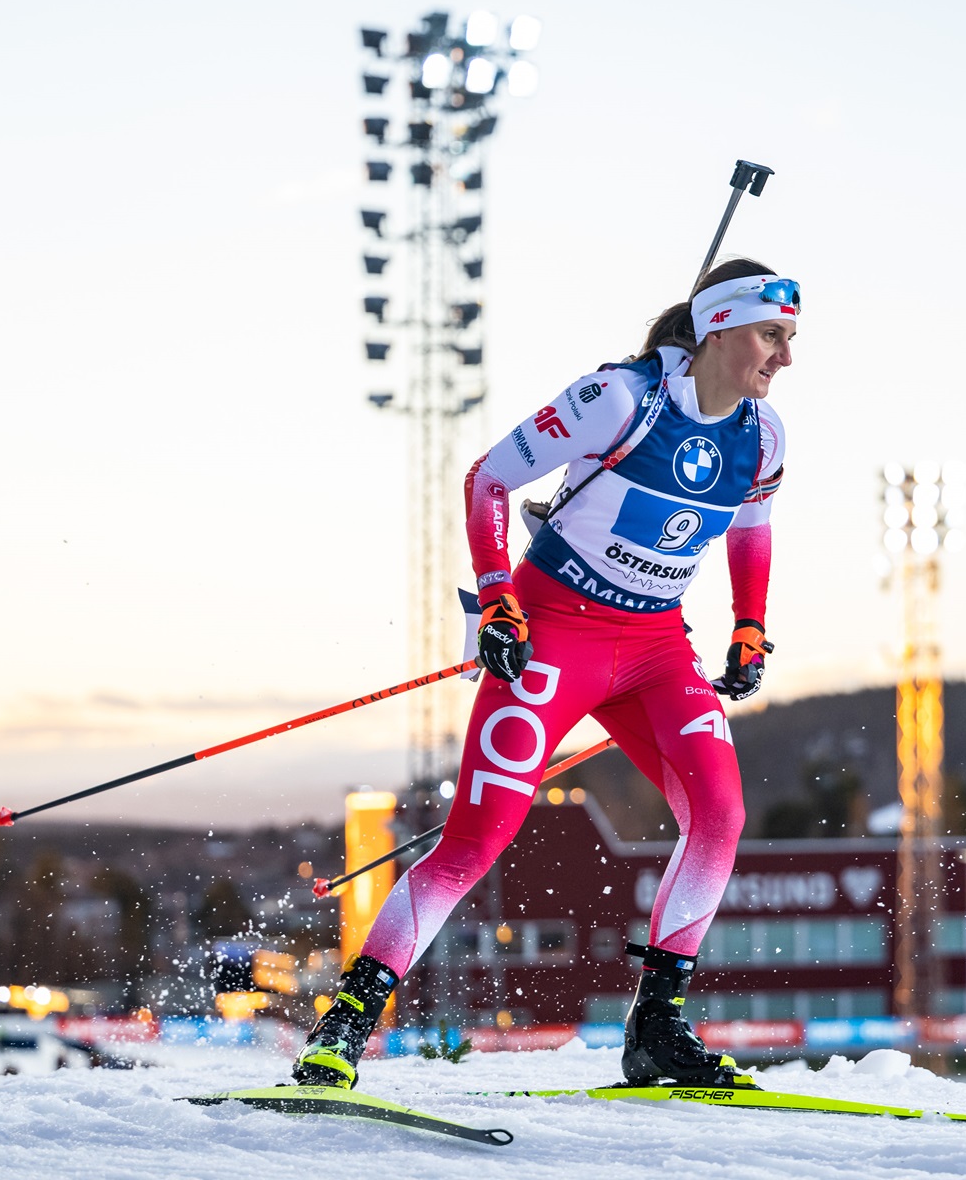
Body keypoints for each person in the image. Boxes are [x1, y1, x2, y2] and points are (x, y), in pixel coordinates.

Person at [291, 258, 797, 1091]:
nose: (785, 356)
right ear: (717, 327)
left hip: (655, 648)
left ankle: (656, 1029)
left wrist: (748, 624)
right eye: (769, 335)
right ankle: (344, 1026)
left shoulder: (763, 435)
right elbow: (489, 478)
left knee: (719, 816)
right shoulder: (619, 399)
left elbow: (751, 527)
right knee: (474, 841)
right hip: (553, 633)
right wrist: (497, 599)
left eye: (789, 337)